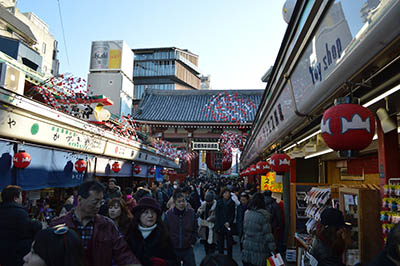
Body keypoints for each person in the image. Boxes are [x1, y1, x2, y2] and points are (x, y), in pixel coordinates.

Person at [50, 180, 142, 266]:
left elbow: (124, 254)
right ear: (80, 199)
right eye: (95, 202)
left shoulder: (107, 226)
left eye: (101, 202)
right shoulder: (58, 225)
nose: (98, 206)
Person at [126, 197, 178, 266]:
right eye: (146, 212)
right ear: (139, 215)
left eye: (153, 212)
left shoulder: (164, 235)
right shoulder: (130, 234)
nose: (150, 216)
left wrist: (164, 263)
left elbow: (174, 261)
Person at [0, 185, 42, 266]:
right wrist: (36, 223)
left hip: (3, 252)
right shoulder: (19, 212)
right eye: (20, 196)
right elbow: (28, 228)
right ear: (15, 198)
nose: (21, 198)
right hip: (17, 253)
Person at [242, 192, 276, 266]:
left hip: (248, 247)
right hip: (260, 249)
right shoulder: (263, 216)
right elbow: (267, 235)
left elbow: (244, 230)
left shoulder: (247, 213)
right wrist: (273, 248)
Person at [164, 190, 198, 266]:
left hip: (188, 248)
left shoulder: (191, 213)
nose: (182, 203)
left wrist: (193, 241)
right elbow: (165, 230)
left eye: (183, 201)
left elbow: (195, 228)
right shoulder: (168, 215)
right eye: (179, 202)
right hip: (173, 248)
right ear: (175, 203)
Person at [215, 187, 235, 258]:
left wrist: (229, 222)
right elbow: (217, 215)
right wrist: (218, 225)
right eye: (225, 193)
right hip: (221, 224)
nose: (227, 194)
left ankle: (229, 257)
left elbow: (233, 214)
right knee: (221, 242)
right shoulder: (219, 202)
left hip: (229, 225)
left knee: (229, 242)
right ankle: (221, 257)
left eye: (228, 193)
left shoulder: (232, 203)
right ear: (222, 194)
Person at [198, 190, 217, 255]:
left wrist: (213, 218)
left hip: (213, 226)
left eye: (210, 201)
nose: (208, 203)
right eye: (207, 201)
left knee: (212, 243)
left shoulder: (216, 205)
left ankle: (211, 255)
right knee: (205, 242)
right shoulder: (204, 204)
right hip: (205, 226)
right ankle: (207, 255)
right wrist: (200, 212)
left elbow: (218, 216)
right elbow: (199, 210)